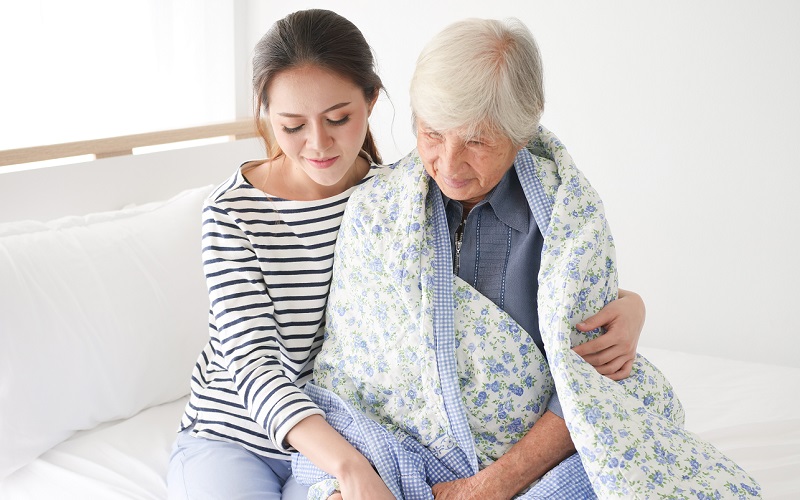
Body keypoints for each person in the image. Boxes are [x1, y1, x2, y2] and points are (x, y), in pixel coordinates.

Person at [167, 9, 647, 500]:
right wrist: (349, 466)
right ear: (266, 113)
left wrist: (630, 306)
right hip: (244, 434)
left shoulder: (387, 195)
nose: (318, 144)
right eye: (292, 126)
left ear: (371, 101)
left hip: (342, 435)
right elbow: (252, 362)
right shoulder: (243, 213)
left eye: (337, 119)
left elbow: (568, 296)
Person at [297, 16, 761, 500]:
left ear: (522, 131)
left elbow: (588, 384)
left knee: (619, 472)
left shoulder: (567, 222)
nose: (449, 165)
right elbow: (348, 382)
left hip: (533, 465)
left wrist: (491, 486)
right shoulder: (376, 210)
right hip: (397, 450)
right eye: (433, 134)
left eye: (476, 141)